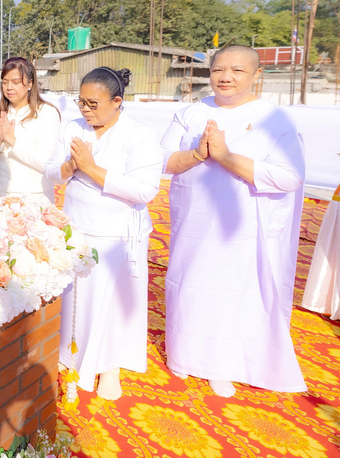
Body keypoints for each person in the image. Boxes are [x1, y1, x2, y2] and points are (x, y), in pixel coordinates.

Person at [162, 45, 306, 397]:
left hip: (240, 228)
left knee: (230, 293)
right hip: (193, 220)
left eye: (237, 70)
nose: (225, 77)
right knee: (190, 286)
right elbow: (163, 160)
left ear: (257, 75)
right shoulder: (191, 113)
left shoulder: (274, 119)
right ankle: (185, 355)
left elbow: (290, 177)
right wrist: (198, 153)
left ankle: (222, 364)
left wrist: (225, 156)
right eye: (218, 70)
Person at [46, 67, 162, 400]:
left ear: (117, 102)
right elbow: (52, 172)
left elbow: (144, 190)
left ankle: (110, 367)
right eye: (81, 102)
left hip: (116, 235)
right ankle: (68, 354)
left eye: (93, 104)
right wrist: (71, 166)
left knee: (111, 305)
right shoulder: (72, 128)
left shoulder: (139, 135)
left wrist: (92, 168)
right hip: (76, 226)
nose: (85, 110)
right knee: (75, 300)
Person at [0, 57, 61, 204]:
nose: (9, 87)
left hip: (33, 198)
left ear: (30, 83)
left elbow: (47, 164)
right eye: (4, 82)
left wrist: (13, 141)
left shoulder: (46, 113)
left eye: (16, 82)